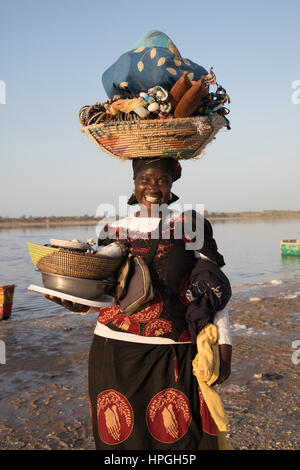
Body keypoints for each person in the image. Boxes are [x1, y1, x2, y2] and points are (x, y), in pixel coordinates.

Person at [45, 157, 232, 450]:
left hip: (173, 352)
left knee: (183, 439)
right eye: (146, 179)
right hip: (114, 350)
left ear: (172, 185)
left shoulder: (191, 225)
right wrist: (78, 304)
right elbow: (104, 294)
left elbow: (214, 290)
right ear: (134, 183)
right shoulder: (112, 230)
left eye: (162, 180)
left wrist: (225, 347)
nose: (153, 188)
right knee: (120, 441)